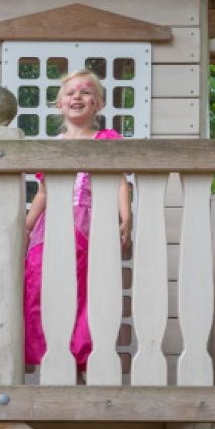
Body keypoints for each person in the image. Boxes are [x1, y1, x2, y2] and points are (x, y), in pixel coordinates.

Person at [22, 70, 132, 369]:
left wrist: (126, 217)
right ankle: (48, 357)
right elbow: (43, 192)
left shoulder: (107, 141)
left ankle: (81, 359)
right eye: (70, 93)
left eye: (85, 93)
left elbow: (121, 182)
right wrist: (27, 226)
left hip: (90, 225)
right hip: (52, 227)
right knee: (39, 284)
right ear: (59, 104)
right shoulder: (53, 145)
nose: (77, 98)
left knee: (86, 289)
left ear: (98, 104)